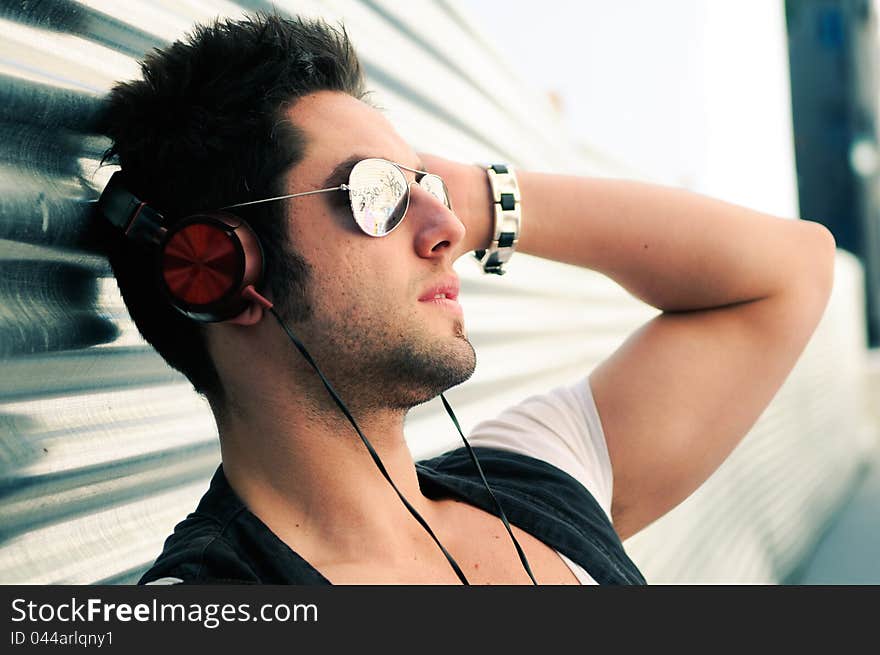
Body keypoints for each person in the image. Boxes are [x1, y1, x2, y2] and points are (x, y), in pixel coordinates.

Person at [95, 12, 836, 585]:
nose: (446, 228)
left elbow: (792, 268)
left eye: (427, 188)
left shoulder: (538, 476)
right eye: (374, 194)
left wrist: (482, 199)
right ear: (219, 268)